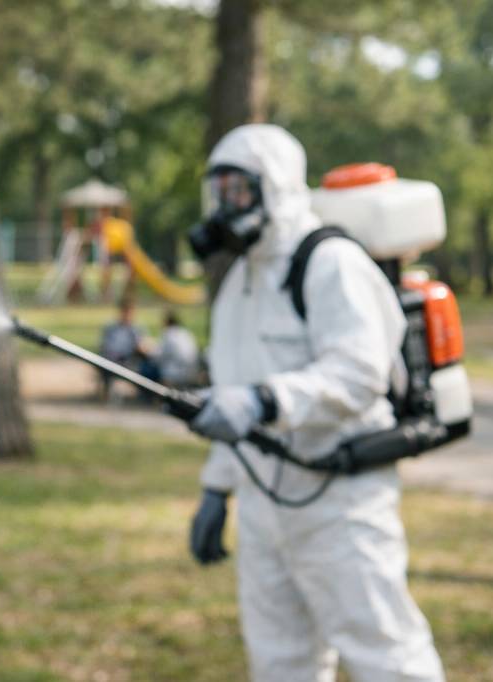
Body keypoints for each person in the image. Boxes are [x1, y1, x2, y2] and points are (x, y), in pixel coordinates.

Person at [186, 124, 444, 681]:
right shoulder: (238, 284)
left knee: (385, 655)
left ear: (274, 186)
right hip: (263, 506)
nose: (227, 205)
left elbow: (358, 374)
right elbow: (235, 401)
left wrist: (265, 400)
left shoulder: (330, 263)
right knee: (280, 661)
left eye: (240, 189)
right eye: (220, 191)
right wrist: (217, 488)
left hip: (340, 504)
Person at [98, 301, 146, 398]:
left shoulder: (136, 329)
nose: (127, 315)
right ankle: (106, 393)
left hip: (129, 359)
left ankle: (144, 393)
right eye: (125, 312)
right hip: (111, 359)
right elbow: (104, 345)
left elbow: (141, 345)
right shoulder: (111, 328)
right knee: (105, 365)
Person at [144, 310, 199, 387]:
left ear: (167, 322)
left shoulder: (168, 334)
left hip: (175, 374)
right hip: (192, 371)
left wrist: (147, 352)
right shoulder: (186, 333)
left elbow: (158, 357)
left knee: (146, 369)